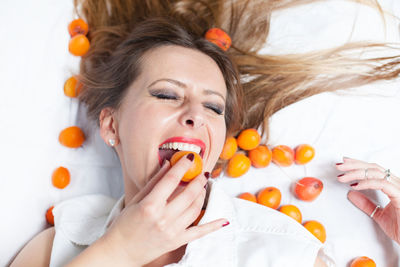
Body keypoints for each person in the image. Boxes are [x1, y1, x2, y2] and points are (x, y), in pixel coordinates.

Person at [10, 0, 400, 266]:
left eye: (214, 106)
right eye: (166, 94)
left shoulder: (283, 249)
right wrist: (118, 252)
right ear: (111, 125)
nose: (195, 114)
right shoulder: (64, 241)